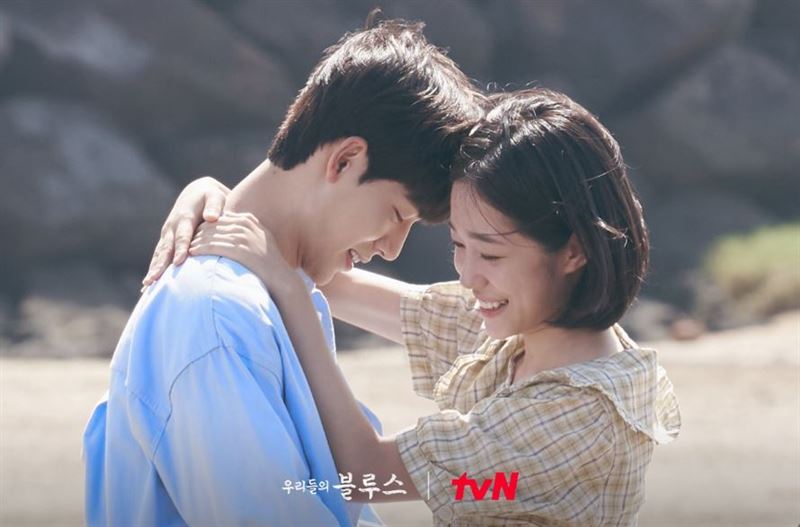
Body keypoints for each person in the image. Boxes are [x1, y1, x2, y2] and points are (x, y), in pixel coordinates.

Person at [149, 88, 680, 525]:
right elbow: (324, 274)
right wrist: (218, 202)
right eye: (458, 245)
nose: (467, 276)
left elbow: (363, 471)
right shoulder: (531, 330)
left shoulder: (574, 415)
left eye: (491, 253)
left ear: (574, 251)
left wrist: (291, 297)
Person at [83, 17, 483, 527]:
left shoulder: (277, 292)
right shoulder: (214, 313)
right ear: (345, 161)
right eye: (396, 215)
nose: (390, 248)